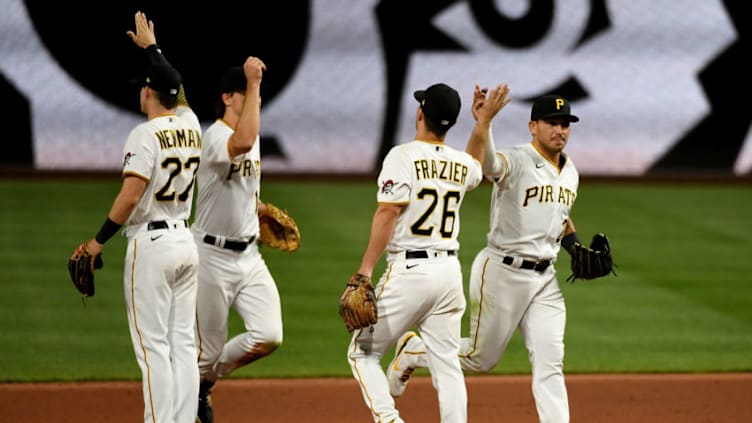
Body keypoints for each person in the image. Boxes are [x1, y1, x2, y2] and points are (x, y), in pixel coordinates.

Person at [388, 91, 582, 423]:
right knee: (481, 359)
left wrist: (574, 244)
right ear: (533, 126)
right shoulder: (517, 159)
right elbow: (489, 165)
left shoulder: (570, 171)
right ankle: (415, 351)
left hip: (545, 280)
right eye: (552, 123)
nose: (560, 130)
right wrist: (485, 124)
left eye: (565, 124)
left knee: (551, 361)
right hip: (502, 272)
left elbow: (557, 213)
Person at [345, 82, 509, 423]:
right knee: (447, 364)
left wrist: (364, 272)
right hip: (449, 275)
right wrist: (483, 123)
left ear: (421, 113)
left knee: (362, 354)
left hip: (410, 273)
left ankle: (389, 419)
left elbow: (388, 212)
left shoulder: (402, 156)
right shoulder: (461, 164)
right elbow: (476, 166)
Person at [68, 11, 203, 423]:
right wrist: (153, 50)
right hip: (186, 244)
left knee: (153, 349)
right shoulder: (192, 124)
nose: (140, 93)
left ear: (149, 93)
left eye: (144, 88)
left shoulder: (144, 135)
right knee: (182, 344)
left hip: (153, 246)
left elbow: (130, 196)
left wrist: (97, 241)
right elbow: (177, 91)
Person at [191, 58, 284, 423]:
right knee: (207, 350)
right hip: (211, 258)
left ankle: (203, 382)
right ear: (228, 97)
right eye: (248, 94)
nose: (256, 99)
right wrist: (253, 79)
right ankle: (185, 402)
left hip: (249, 258)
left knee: (269, 334)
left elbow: (246, 186)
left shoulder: (252, 134)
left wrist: (259, 208)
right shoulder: (215, 136)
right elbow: (241, 142)